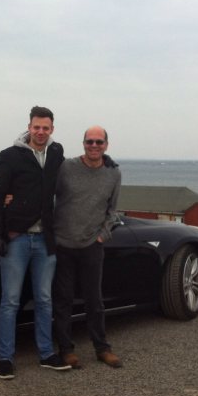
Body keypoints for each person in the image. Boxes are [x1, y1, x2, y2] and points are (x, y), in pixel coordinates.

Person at [0, 106, 72, 379]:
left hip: (46, 240)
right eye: (37, 127)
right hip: (17, 239)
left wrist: (103, 161)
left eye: (46, 128)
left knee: (45, 300)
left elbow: (69, 181)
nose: (41, 132)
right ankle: (5, 358)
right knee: (10, 301)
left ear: (52, 129)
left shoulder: (57, 153)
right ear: (29, 126)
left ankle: (46, 353)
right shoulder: (10, 155)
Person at [52, 125, 123, 369]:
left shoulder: (113, 173)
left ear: (106, 145)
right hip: (62, 244)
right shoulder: (66, 168)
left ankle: (102, 348)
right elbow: (46, 193)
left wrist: (102, 236)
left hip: (92, 245)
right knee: (63, 300)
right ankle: (66, 350)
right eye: (89, 142)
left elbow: (112, 210)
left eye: (99, 142)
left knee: (94, 300)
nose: (94, 146)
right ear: (83, 143)